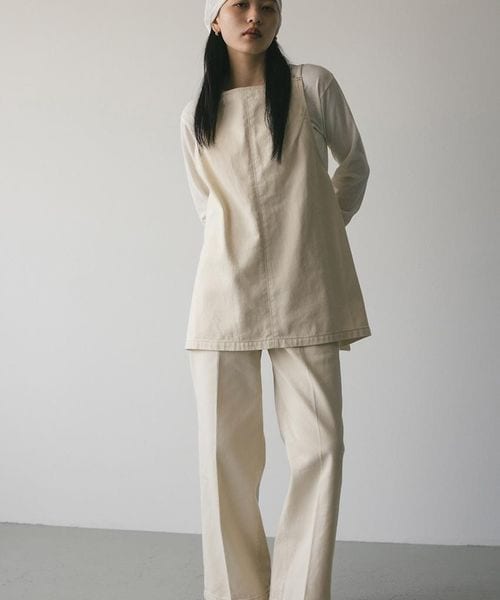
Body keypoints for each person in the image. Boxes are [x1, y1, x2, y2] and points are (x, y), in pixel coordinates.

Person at [179, 2, 372, 599]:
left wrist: (318, 231)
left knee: (322, 449)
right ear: (215, 19)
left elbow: (355, 166)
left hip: (305, 289)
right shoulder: (194, 114)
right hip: (223, 297)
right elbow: (208, 209)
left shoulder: (312, 86)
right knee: (223, 460)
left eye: (267, 4)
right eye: (238, 4)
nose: (254, 15)